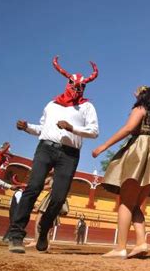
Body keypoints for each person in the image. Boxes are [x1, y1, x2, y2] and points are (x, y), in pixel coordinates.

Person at [8, 56, 99, 254]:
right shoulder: (52, 105)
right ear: (68, 84)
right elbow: (43, 128)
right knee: (33, 188)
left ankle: (43, 230)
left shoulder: (87, 107)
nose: (77, 89)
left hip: (69, 154)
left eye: (81, 87)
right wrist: (27, 128)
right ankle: (16, 235)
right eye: (74, 85)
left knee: (58, 198)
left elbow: (94, 131)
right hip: (45, 148)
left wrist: (72, 128)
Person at [92, 86, 150, 259]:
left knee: (126, 202)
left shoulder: (140, 108)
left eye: (139, 92)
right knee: (136, 204)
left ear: (144, 96)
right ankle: (140, 243)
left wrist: (104, 146)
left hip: (140, 151)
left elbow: (129, 128)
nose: (135, 94)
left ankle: (120, 247)